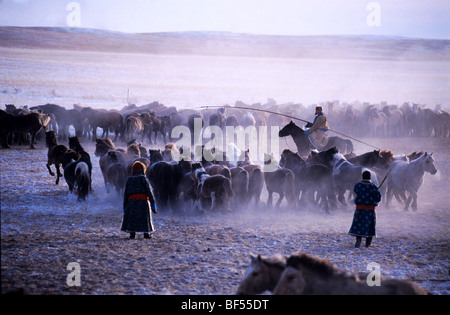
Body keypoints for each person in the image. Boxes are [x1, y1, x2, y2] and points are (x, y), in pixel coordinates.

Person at [121, 161, 157, 239]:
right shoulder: (144, 178)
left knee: (132, 218)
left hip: (131, 202)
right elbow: (149, 191)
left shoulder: (129, 179)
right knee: (145, 218)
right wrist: (153, 204)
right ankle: (146, 233)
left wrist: (125, 205)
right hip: (143, 201)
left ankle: (132, 233)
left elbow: (126, 193)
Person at [348, 171, 381, 248]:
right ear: (370, 177)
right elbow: (378, 198)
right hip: (370, 210)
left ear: (362, 176)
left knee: (358, 225)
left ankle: (358, 240)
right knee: (370, 225)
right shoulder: (374, 187)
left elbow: (356, 191)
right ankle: (368, 243)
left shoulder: (358, 185)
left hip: (360, 209)